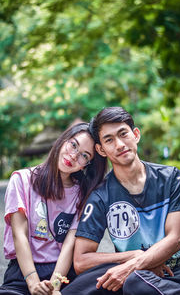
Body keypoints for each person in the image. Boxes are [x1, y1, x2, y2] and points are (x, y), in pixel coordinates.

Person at [61, 107, 180, 295]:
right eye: (109, 140)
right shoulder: (100, 197)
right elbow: (81, 261)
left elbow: (174, 239)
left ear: (136, 135)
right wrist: (135, 259)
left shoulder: (171, 177)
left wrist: (133, 265)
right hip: (143, 277)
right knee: (126, 283)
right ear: (101, 150)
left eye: (123, 134)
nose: (119, 144)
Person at [0, 122, 107, 295]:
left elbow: (69, 244)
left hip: (62, 273)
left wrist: (55, 286)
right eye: (73, 145)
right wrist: (34, 284)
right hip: (24, 271)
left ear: (86, 165)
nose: (73, 156)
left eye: (84, 156)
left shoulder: (82, 194)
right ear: (63, 140)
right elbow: (19, 235)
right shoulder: (21, 180)